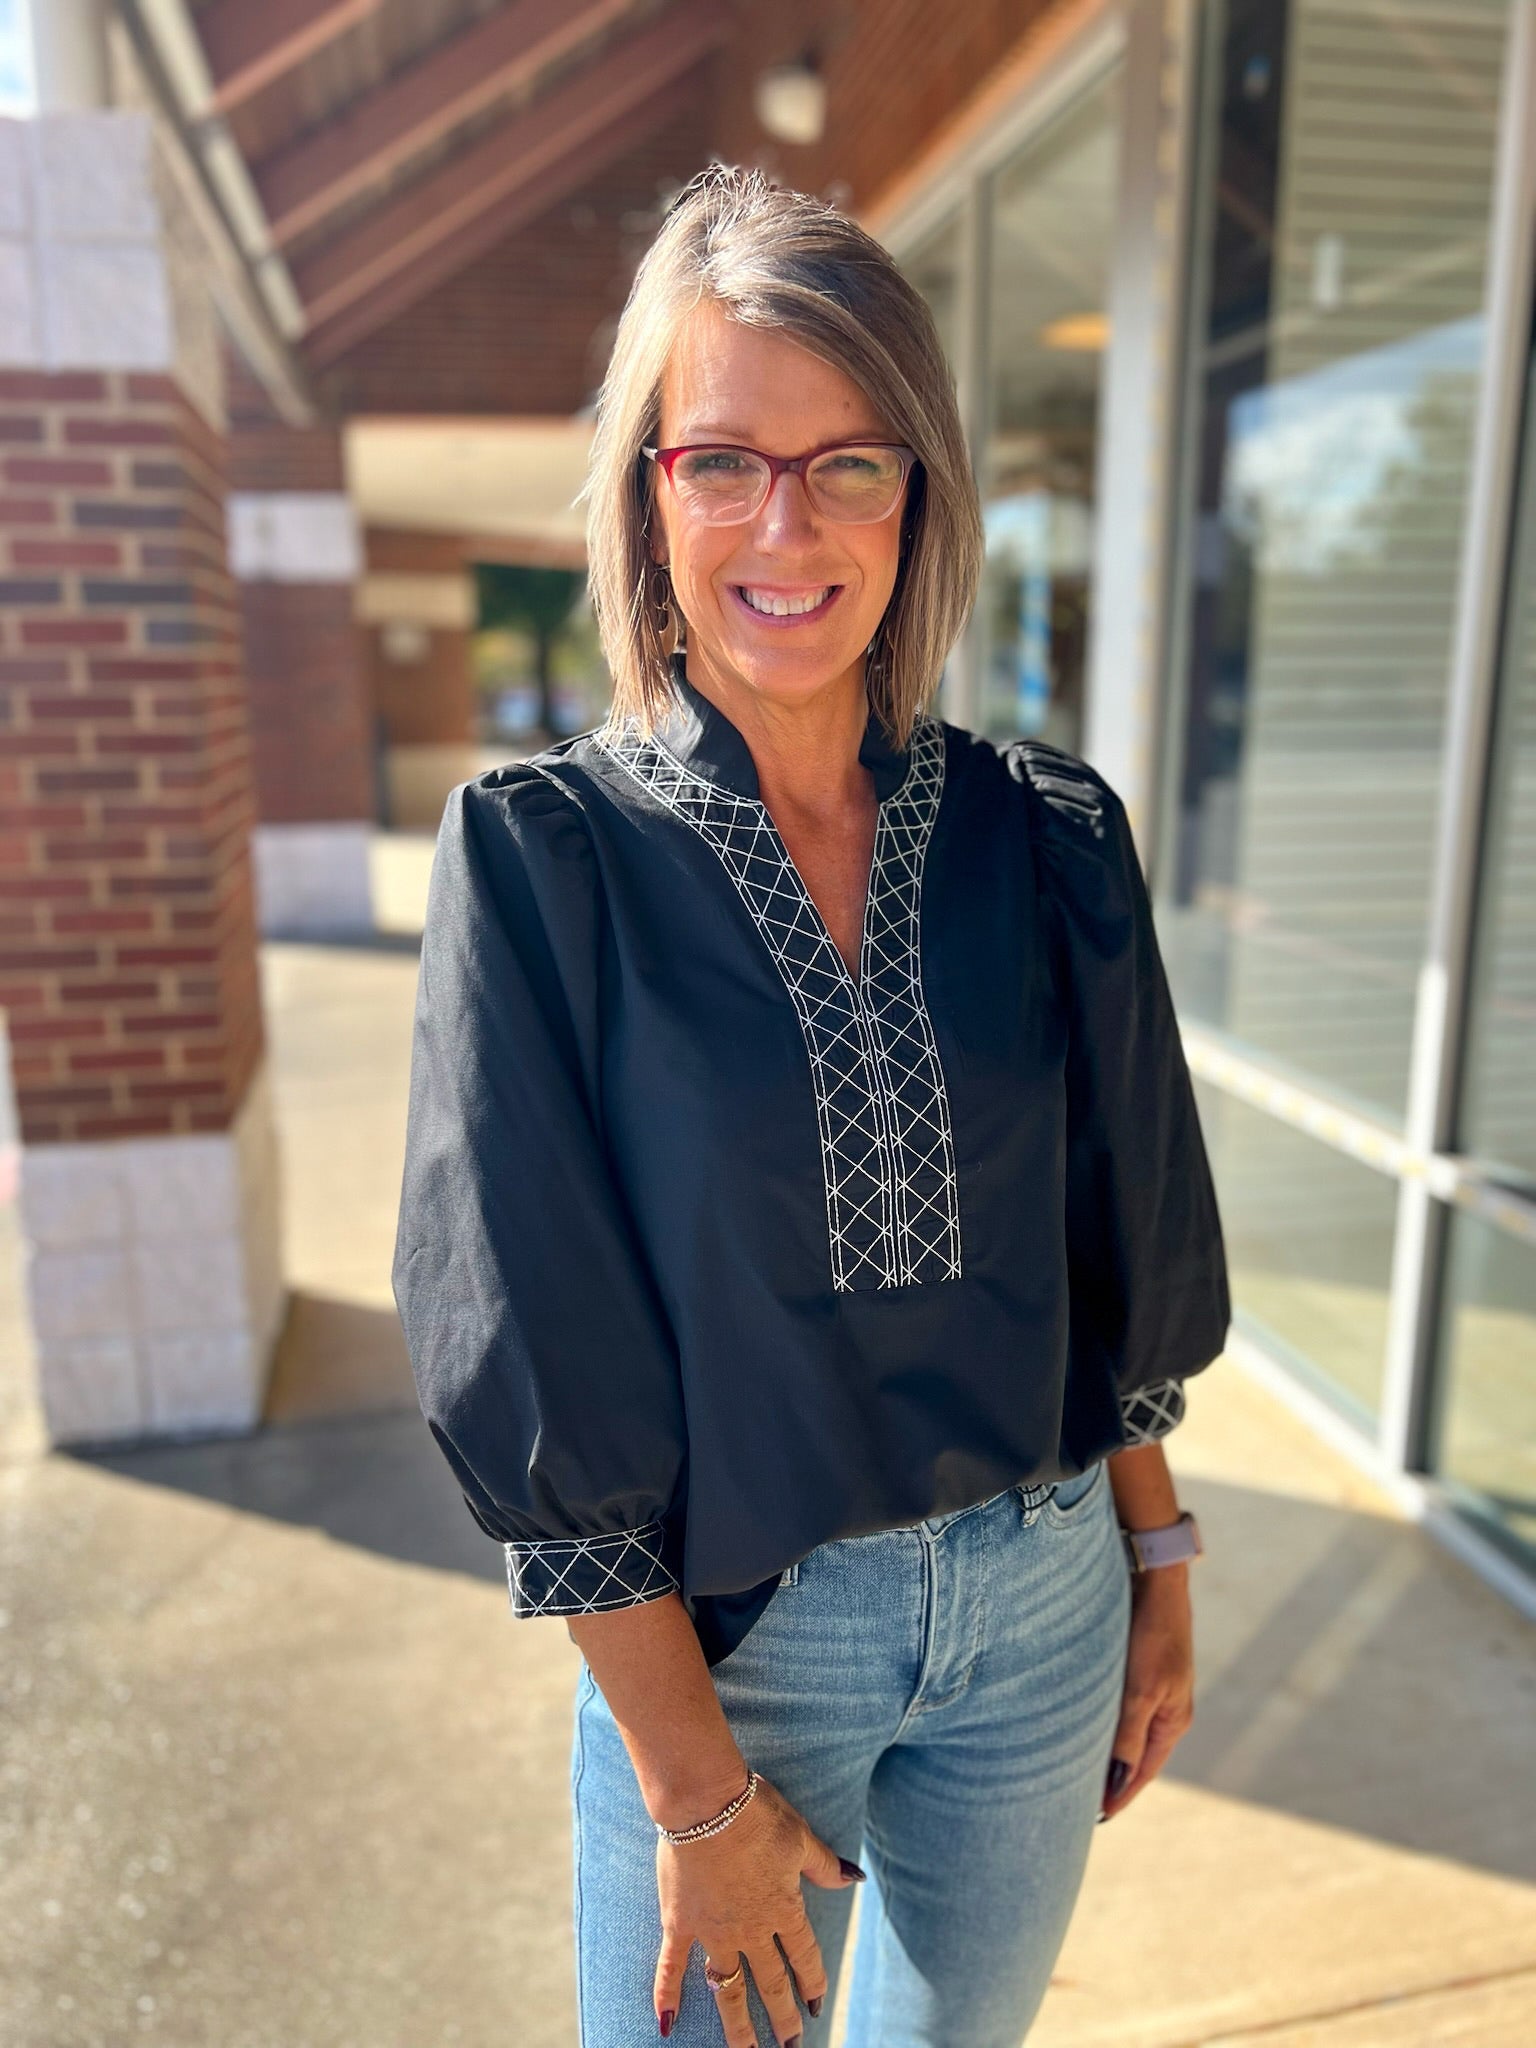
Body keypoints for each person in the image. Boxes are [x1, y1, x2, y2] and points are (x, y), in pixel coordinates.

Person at [391, 162, 1230, 2048]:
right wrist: (694, 1794)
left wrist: (1159, 1559)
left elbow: (1112, 1235)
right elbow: (528, 1341)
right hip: (741, 1654)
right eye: (724, 462)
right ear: (649, 491)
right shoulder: (543, 862)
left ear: (918, 493)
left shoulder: (1047, 837)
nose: (788, 525)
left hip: (1051, 1602)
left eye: (850, 463)